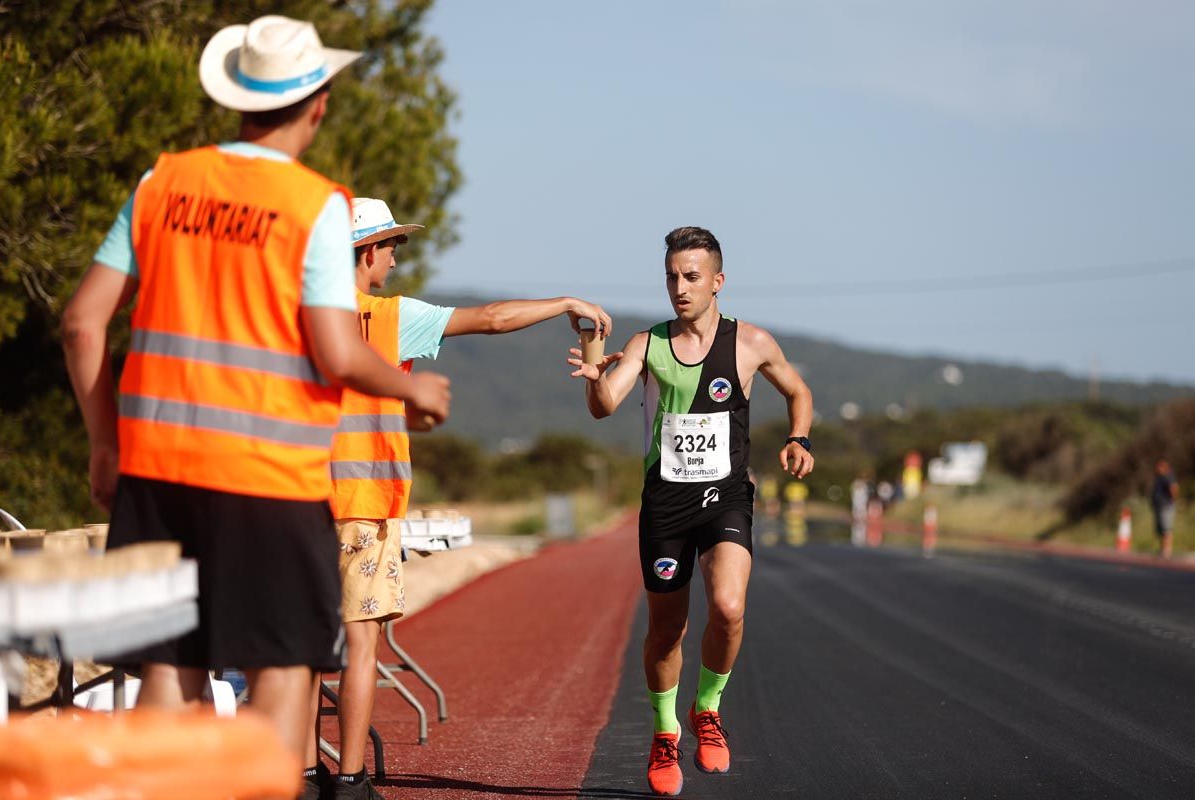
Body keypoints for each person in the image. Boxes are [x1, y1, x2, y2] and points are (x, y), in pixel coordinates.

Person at [60, 15, 451, 793]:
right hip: (270, 478)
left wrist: (104, 445)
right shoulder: (315, 207)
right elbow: (337, 352)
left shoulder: (159, 183)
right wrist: (413, 386)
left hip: (157, 476)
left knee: (170, 669)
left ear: (235, 98)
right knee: (284, 665)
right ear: (319, 105)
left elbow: (80, 322)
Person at [303, 197, 612, 800]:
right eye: (392, 247)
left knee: (296, 650)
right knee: (360, 643)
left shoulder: (298, 317)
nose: (395, 259)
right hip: (364, 499)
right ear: (366, 252)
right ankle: (350, 779)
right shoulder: (390, 318)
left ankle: (302, 774)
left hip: (296, 498)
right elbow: (493, 319)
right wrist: (563, 304)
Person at [567, 226, 814, 796]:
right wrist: (593, 366)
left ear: (718, 282)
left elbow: (798, 391)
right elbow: (605, 406)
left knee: (728, 607)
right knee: (667, 630)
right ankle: (663, 730)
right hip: (666, 503)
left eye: (692, 277)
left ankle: (707, 710)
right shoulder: (647, 345)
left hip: (725, 495)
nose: (679, 288)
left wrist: (800, 438)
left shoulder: (750, 343)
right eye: (672, 277)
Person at [1151, 459, 1180, 558]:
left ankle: (1167, 551)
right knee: (1161, 530)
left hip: (1166, 506)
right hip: (1160, 506)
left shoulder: (1168, 476)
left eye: (1159, 467)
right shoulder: (1159, 477)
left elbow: (1174, 488)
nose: (1157, 469)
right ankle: (1162, 549)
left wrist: (1173, 500)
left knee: (1167, 528)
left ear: (1164, 467)